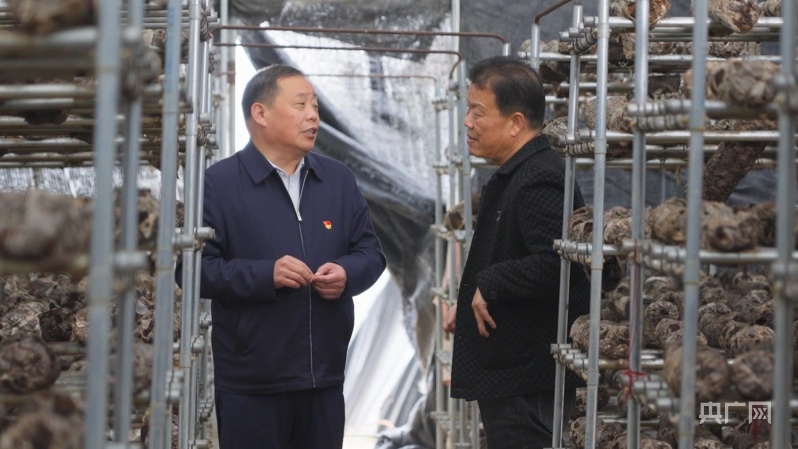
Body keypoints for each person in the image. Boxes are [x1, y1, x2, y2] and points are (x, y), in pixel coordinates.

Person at [177, 64, 386, 449]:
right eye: (301, 105)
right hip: (252, 385)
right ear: (261, 113)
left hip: (323, 379)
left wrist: (346, 273)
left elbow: (371, 254)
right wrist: (265, 275)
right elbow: (193, 270)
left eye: (316, 107)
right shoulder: (219, 184)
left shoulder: (338, 179)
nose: (313, 117)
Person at [447, 56, 590, 449]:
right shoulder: (519, 172)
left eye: (478, 112)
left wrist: (491, 283)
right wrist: (473, 294)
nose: (467, 122)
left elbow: (558, 262)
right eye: (467, 110)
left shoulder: (539, 176)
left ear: (515, 123)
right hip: (513, 375)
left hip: (527, 382)